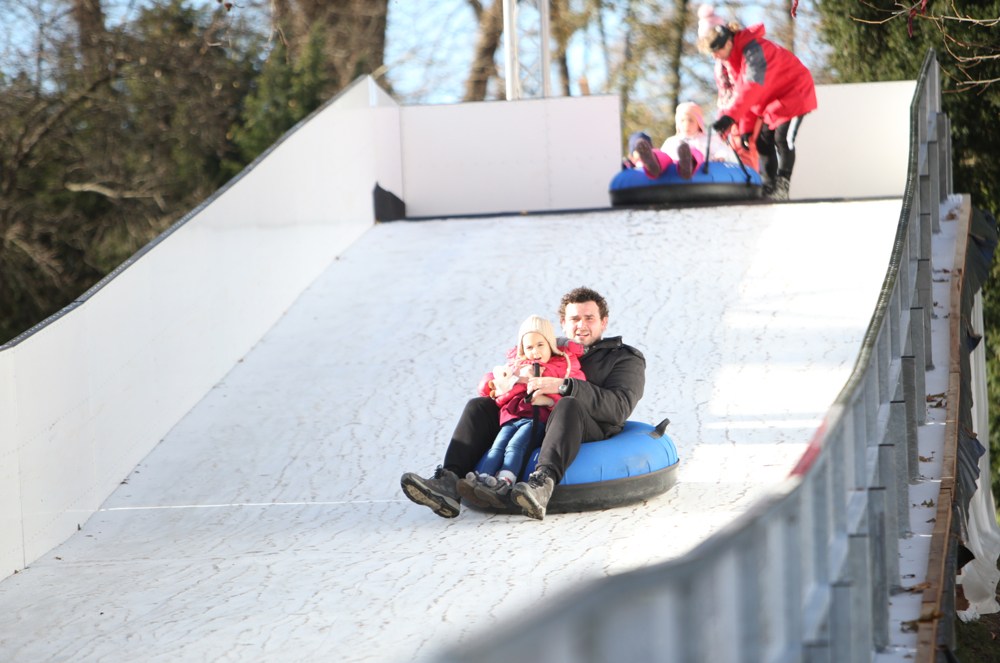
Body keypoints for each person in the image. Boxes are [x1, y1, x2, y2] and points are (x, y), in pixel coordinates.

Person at [400, 286, 645, 520]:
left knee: (568, 404)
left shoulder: (623, 357)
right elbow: (512, 369)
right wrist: (496, 383)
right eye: (574, 319)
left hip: (584, 427)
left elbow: (619, 407)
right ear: (563, 323)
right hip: (533, 418)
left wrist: (564, 386)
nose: (581, 325)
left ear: (604, 322)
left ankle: (542, 483)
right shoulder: (545, 347)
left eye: (589, 318)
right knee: (479, 406)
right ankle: (448, 482)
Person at [456, 315, 585, 510]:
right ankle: (482, 478)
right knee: (498, 445)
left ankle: (506, 479)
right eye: (529, 347)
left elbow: (575, 395)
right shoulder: (517, 368)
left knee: (516, 446)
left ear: (550, 345)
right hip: (512, 416)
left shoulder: (563, 367)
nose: (535, 352)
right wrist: (507, 382)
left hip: (537, 419)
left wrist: (549, 400)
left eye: (540, 345)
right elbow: (491, 387)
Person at [697, 4, 817, 200]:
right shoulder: (733, 61)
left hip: (796, 92)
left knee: (782, 139)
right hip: (773, 100)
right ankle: (768, 188)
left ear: (727, 43)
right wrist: (745, 127)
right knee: (762, 142)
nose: (714, 56)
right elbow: (749, 99)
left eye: (716, 50)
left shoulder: (754, 51)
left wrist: (730, 117)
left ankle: (782, 186)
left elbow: (752, 88)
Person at [661, 101, 745, 167]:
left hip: (699, 174)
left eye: (691, 120)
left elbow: (723, 150)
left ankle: (688, 163)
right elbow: (665, 153)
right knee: (663, 157)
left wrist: (721, 156)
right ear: (677, 124)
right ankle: (654, 163)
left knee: (695, 154)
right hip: (674, 173)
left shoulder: (707, 139)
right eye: (682, 121)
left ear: (699, 123)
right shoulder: (671, 141)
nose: (686, 125)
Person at [622, 131, 696, 181]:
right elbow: (624, 166)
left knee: (664, 157)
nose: (640, 152)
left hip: (658, 162)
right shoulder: (629, 165)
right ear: (631, 156)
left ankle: (686, 166)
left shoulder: (655, 152)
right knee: (661, 157)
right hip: (646, 171)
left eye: (646, 148)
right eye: (638, 150)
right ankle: (652, 167)